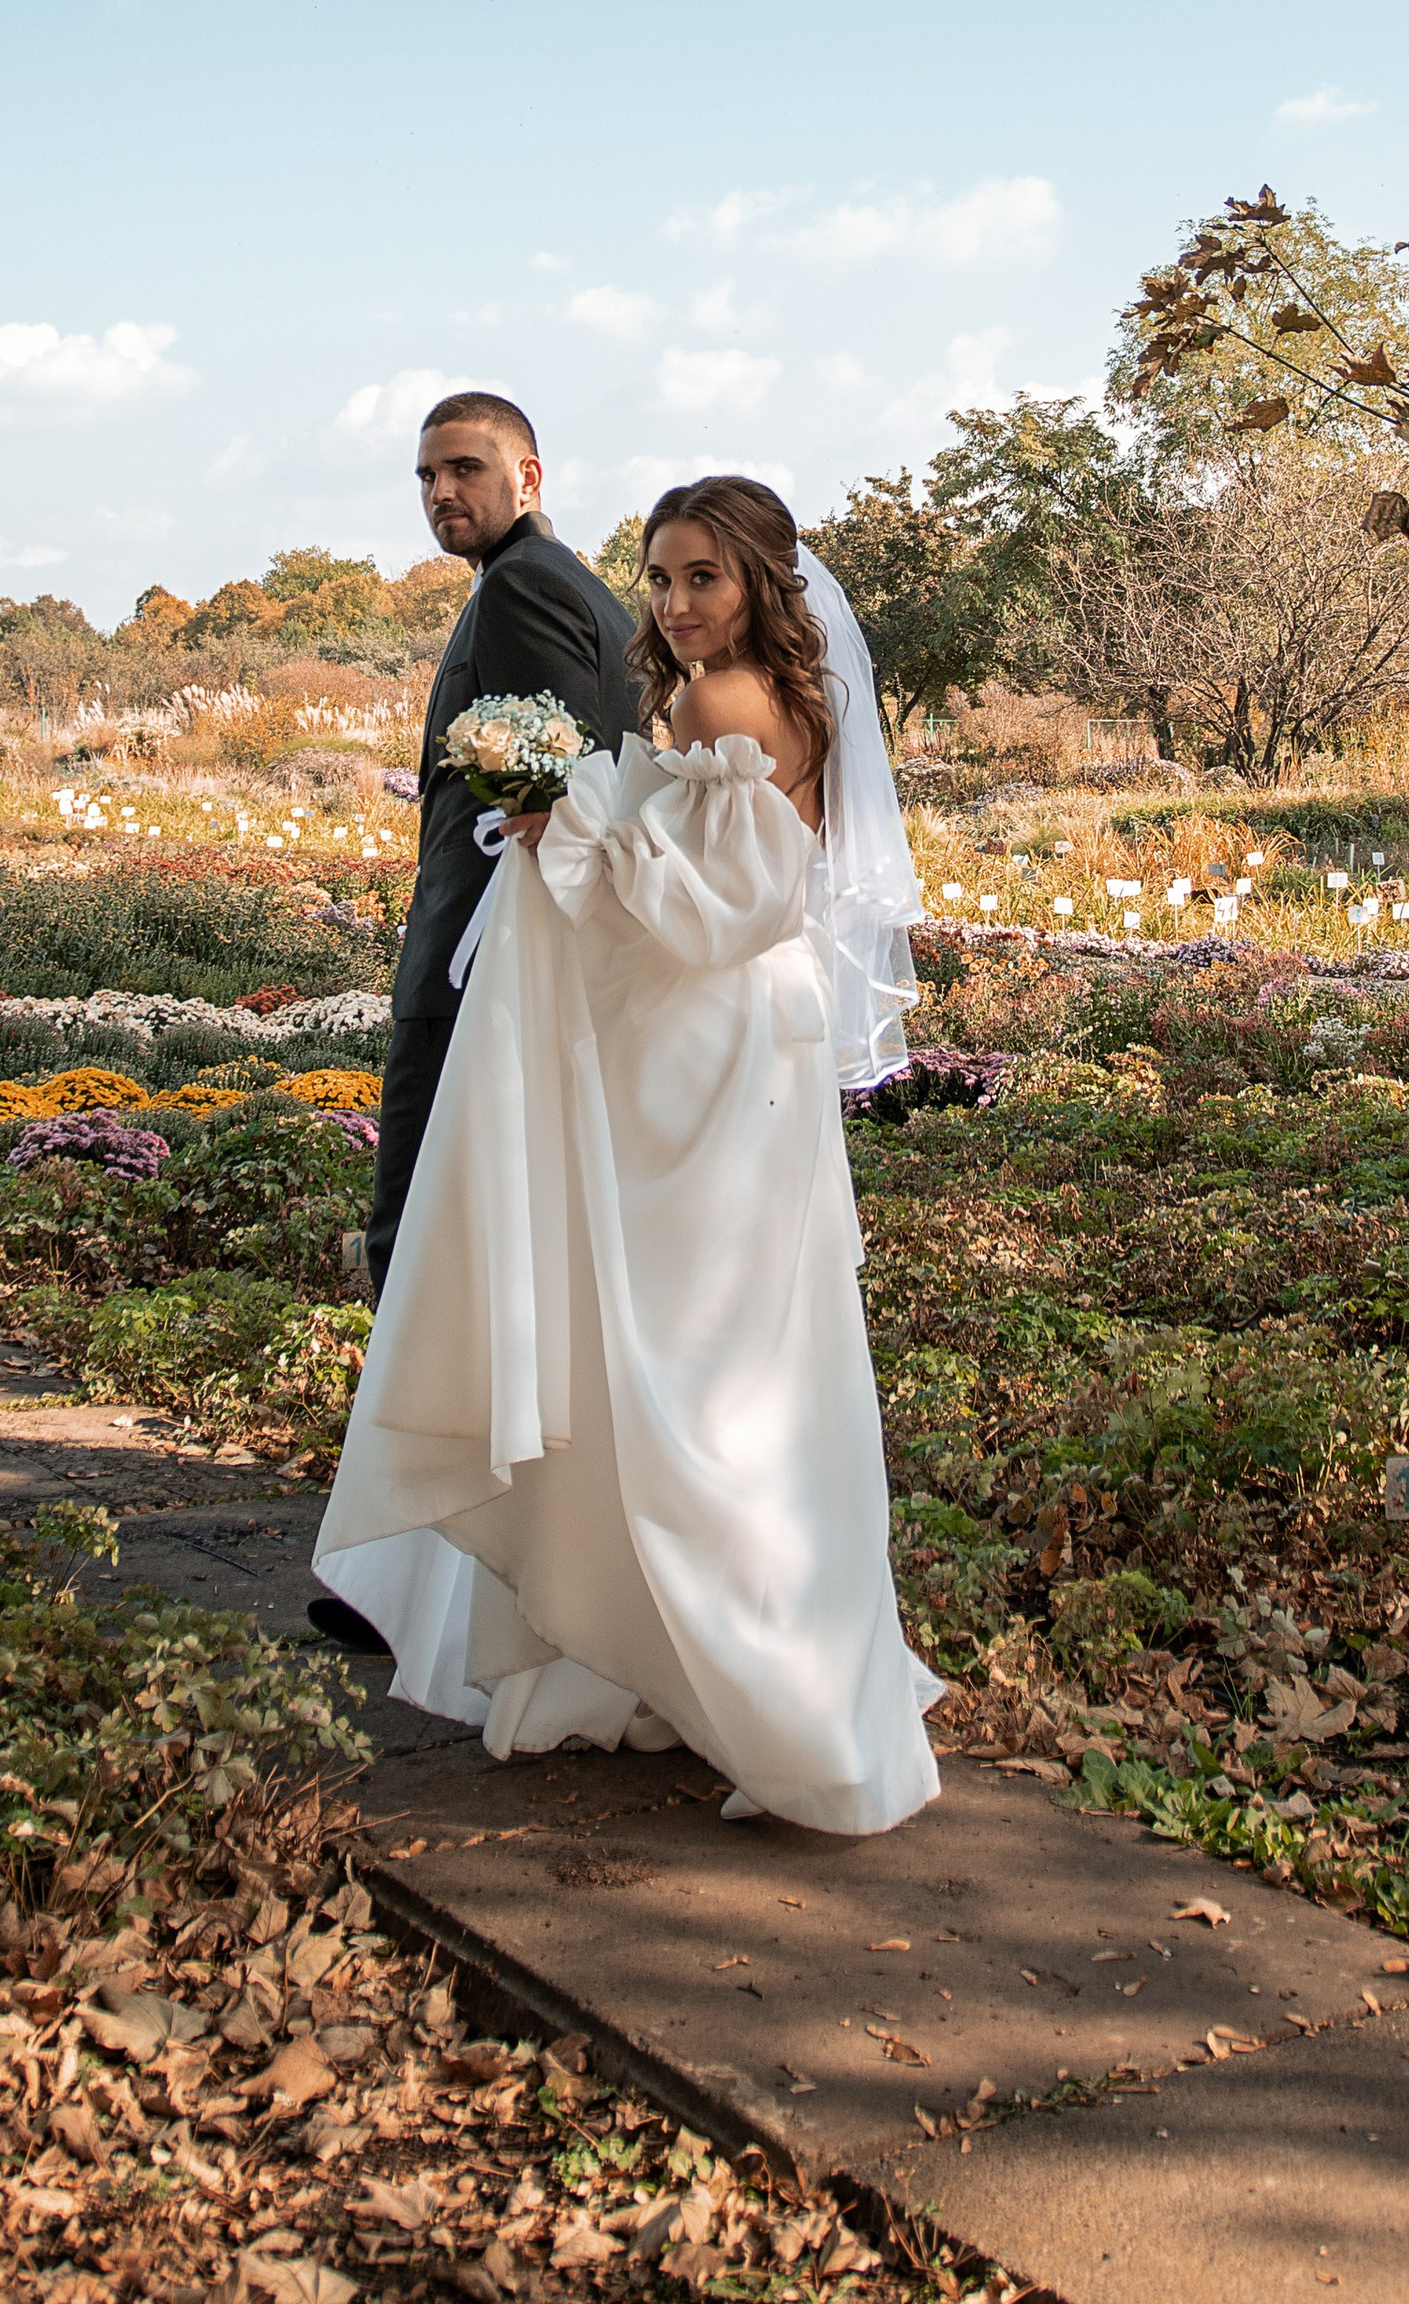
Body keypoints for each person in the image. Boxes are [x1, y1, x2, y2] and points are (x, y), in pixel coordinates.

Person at [309, 473, 940, 1836]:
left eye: (703, 576)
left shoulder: (725, 704)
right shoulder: (771, 698)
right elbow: (711, 892)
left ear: (764, 583)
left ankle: (715, 1664)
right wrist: (576, 818)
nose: (675, 603)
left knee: (684, 1371)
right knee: (742, 1367)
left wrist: (569, 822)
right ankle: (708, 1662)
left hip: (705, 1060)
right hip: (729, 1055)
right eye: (659, 577)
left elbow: (712, 913)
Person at [365, 392, 642, 1296]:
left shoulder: (527, 582)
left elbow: (567, 780)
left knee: (423, 1231)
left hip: (482, 954)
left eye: (463, 469)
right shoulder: (550, 577)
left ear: (526, 476)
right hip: (492, 952)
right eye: (427, 476)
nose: (440, 490)